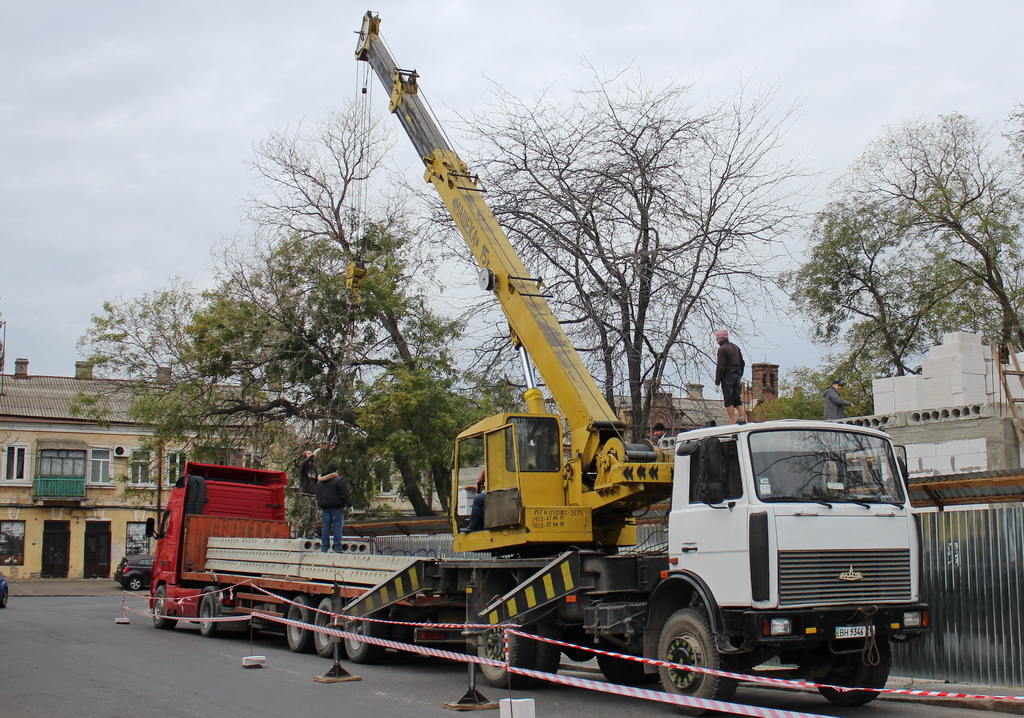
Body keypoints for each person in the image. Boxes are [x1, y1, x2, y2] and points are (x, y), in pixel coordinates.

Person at [713, 329, 748, 425]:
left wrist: (717, 382)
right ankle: (744, 419)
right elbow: (742, 363)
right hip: (737, 375)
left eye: (717, 338)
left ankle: (732, 422)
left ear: (720, 339)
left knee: (729, 400)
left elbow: (721, 366)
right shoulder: (736, 347)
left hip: (728, 376)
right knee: (737, 399)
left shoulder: (722, 349)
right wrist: (740, 374)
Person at [316, 461, 351, 553]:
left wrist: (321, 504)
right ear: (336, 470)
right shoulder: (339, 480)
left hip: (325, 508)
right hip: (337, 507)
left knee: (326, 527)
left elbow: (318, 495)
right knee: (337, 527)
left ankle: (324, 547)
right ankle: (337, 546)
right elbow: (344, 493)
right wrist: (349, 504)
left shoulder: (320, 482)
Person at [461, 469, 487, 534]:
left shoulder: (488, 469)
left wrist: (478, 488)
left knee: (478, 499)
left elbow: (479, 482)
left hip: (494, 495)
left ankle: (473, 526)